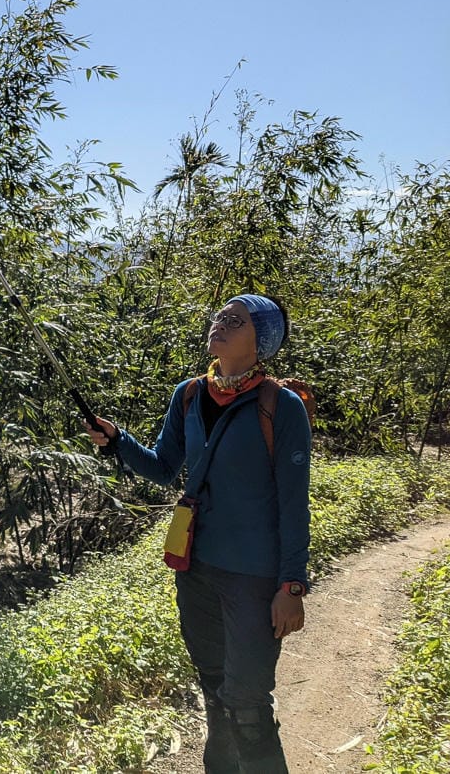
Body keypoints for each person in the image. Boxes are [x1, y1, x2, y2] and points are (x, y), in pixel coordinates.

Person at [84, 294, 310, 774]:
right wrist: (118, 439)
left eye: (236, 320)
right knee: (214, 690)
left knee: (247, 703)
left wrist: (292, 586)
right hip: (197, 569)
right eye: (219, 317)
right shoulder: (189, 394)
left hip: (253, 577)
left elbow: (294, 504)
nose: (220, 324)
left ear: (261, 341)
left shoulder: (280, 406)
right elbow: (166, 468)